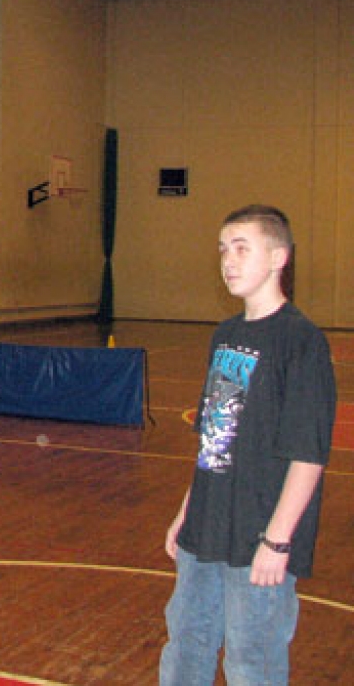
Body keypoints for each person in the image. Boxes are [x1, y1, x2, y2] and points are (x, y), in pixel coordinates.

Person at [159, 205, 335, 685]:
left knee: (251, 661)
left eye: (241, 248)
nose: (228, 260)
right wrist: (186, 512)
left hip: (259, 535)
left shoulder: (302, 342)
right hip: (206, 529)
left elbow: (308, 455)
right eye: (222, 249)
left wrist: (277, 541)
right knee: (187, 645)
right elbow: (213, 438)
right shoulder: (226, 335)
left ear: (278, 256)